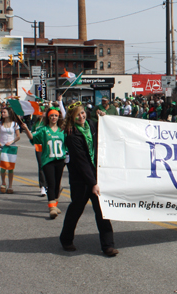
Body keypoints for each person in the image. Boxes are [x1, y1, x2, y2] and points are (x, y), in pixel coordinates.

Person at [59, 103, 118, 257]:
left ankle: (108, 246)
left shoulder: (90, 125)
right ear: (72, 117)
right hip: (81, 179)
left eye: (83, 113)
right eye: (77, 115)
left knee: (101, 211)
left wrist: (104, 119)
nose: (81, 117)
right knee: (76, 210)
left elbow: (104, 129)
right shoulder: (72, 135)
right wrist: (93, 184)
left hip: (96, 175)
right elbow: (82, 161)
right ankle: (66, 239)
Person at [21, 106, 66, 219]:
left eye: (56, 115)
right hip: (48, 160)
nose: (54, 117)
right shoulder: (43, 130)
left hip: (60, 160)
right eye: (52, 115)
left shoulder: (63, 130)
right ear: (48, 117)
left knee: (57, 184)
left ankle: (55, 204)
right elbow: (33, 137)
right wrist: (26, 129)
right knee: (50, 184)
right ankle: (52, 208)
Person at [0, 107, 20, 194]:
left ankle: (10, 186)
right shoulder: (0, 124)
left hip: (11, 147)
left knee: (10, 167)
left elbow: (18, 136)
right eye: (2, 112)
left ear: (9, 113)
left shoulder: (15, 124)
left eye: (4, 112)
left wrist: (11, 142)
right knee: (3, 166)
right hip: (2, 147)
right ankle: (3, 183)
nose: (2, 114)